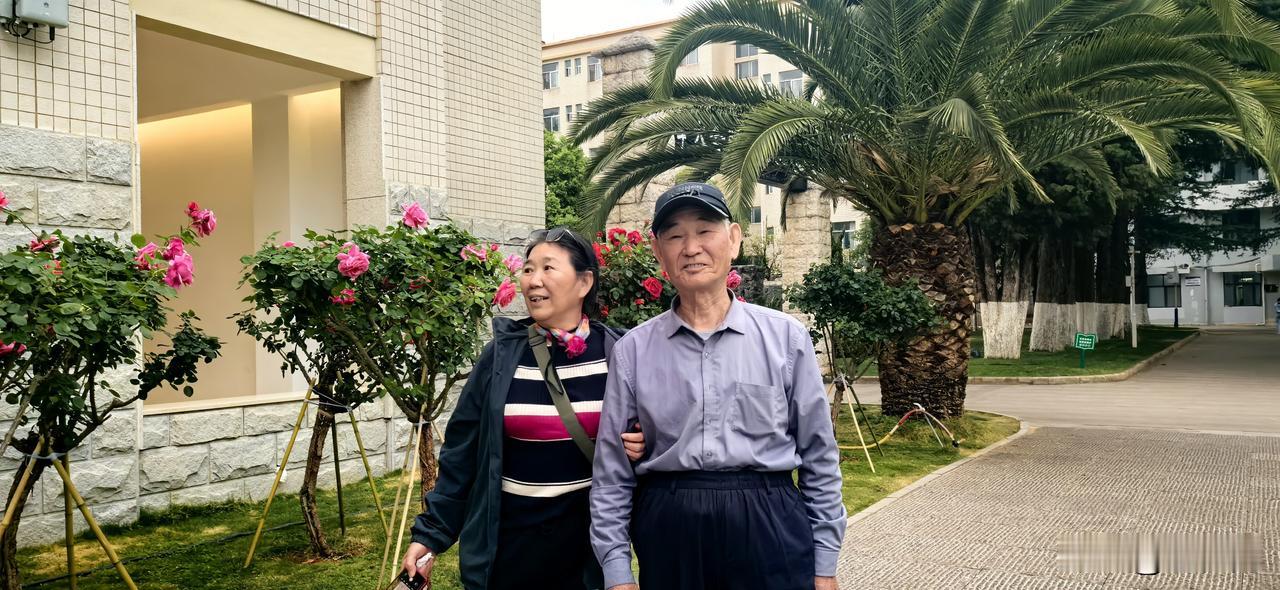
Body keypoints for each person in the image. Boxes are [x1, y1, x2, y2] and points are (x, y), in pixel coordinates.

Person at [590, 182, 847, 590]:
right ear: (658, 251)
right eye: (675, 235)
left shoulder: (786, 339)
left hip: (769, 519)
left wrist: (825, 563)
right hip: (671, 526)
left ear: (734, 239)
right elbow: (611, 473)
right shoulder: (633, 351)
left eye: (705, 230)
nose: (691, 248)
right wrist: (617, 572)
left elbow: (819, 455)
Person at [400, 227, 645, 590]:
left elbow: (655, 432)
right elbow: (462, 452)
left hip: (587, 546)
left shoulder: (619, 353)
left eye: (548, 268)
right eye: (528, 269)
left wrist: (644, 443)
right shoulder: (501, 356)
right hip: (509, 546)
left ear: (584, 282)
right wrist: (431, 534)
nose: (533, 280)